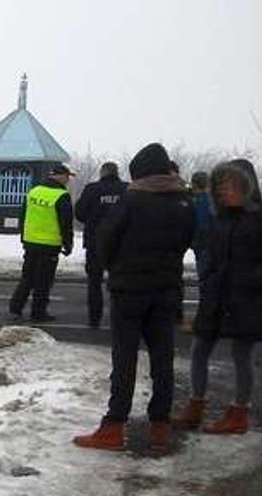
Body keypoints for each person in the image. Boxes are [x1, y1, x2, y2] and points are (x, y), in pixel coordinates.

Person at [73, 143, 194, 454]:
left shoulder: (132, 200)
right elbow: (185, 243)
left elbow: (106, 240)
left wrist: (116, 267)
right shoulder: (184, 201)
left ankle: (114, 426)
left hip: (129, 290)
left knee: (124, 359)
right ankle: (160, 427)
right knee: (162, 358)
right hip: (166, 288)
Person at [172, 159, 261, 435]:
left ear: (246, 186)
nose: (225, 190)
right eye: (220, 185)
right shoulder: (218, 218)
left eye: (231, 184)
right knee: (199, 348)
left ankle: (239, 412)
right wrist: (208, 278)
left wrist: (251, 281)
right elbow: (208, 252)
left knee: (241, 354)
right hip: (215, 296)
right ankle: (195, 405)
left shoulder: (258, 219)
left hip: (248, 299)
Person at [9, 164, 75, 322]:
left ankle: (16, 307)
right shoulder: (61, 196)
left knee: (27, 277)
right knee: (43, 281)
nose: (68, 180)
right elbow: (65, 223)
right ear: (59, 176)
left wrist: (24, 236)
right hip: (49, 244)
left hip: (31, 242)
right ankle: (38, 312)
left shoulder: (34, 191)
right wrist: (68, 243)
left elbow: (23, 214)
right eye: (67, 176)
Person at [74, 162, 127, 328]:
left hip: (95, 241)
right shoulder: (127, 189)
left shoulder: (92, 189)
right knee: (121, 283)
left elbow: (80, 213)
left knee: (94, 282)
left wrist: (93, 218)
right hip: (121, 244)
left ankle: (94, 319)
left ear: (102, 173)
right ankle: (120, 318)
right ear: (116, 173)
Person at [189, 171, 215, 281]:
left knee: (204, 274)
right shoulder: (214, 200)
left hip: (200, 241)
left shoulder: (193, 201)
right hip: (213, 241)